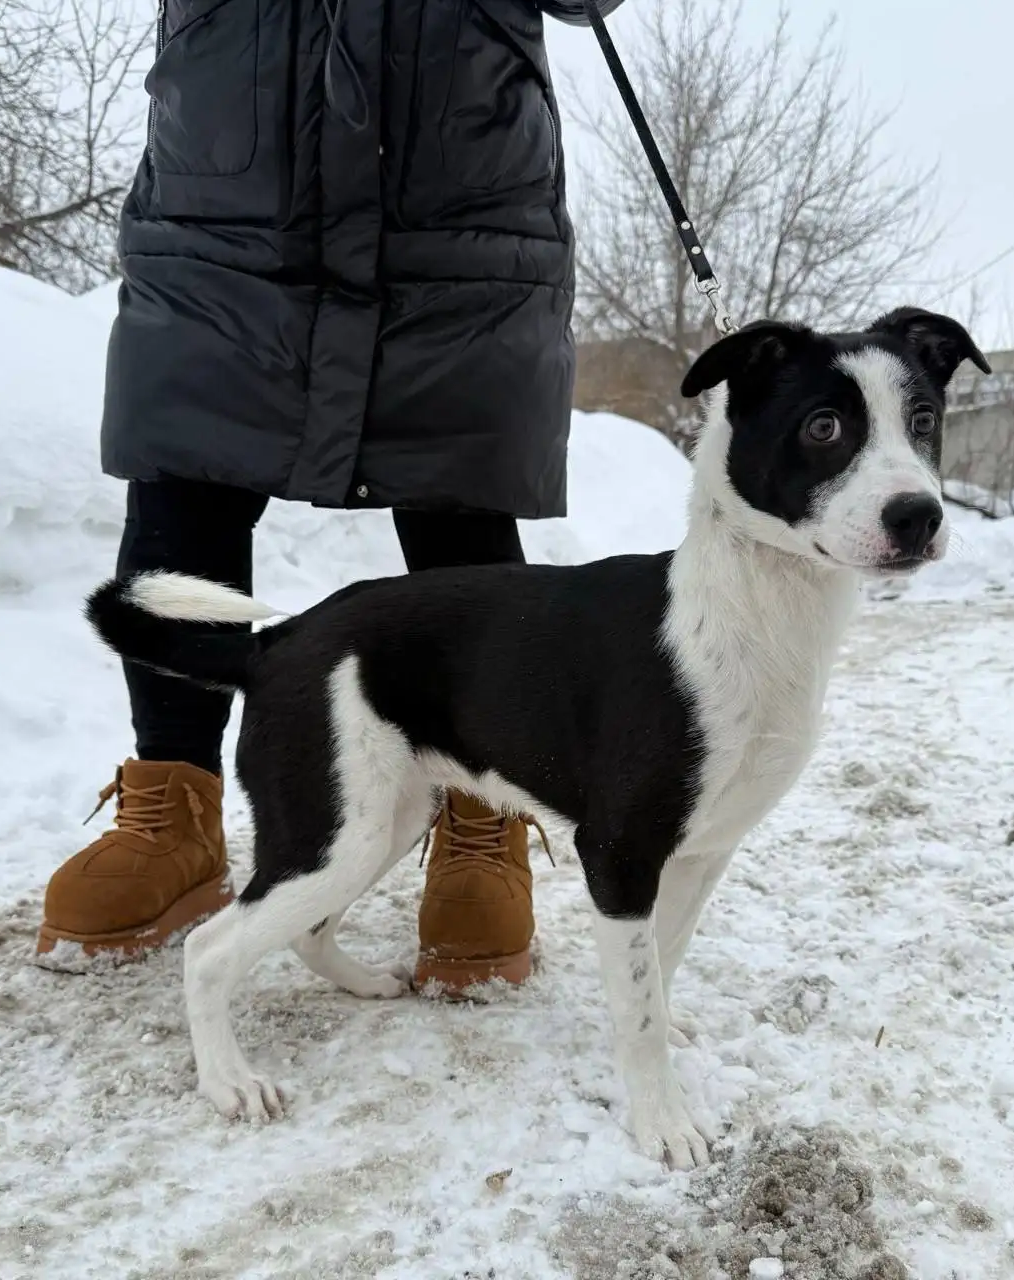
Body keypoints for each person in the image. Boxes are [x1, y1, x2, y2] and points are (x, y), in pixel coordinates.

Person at [35, 0, 622, 991]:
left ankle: (482, 815)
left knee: (460, 505)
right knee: (184, 480)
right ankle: (171, 805)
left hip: (453, 193)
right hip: (228, 187)